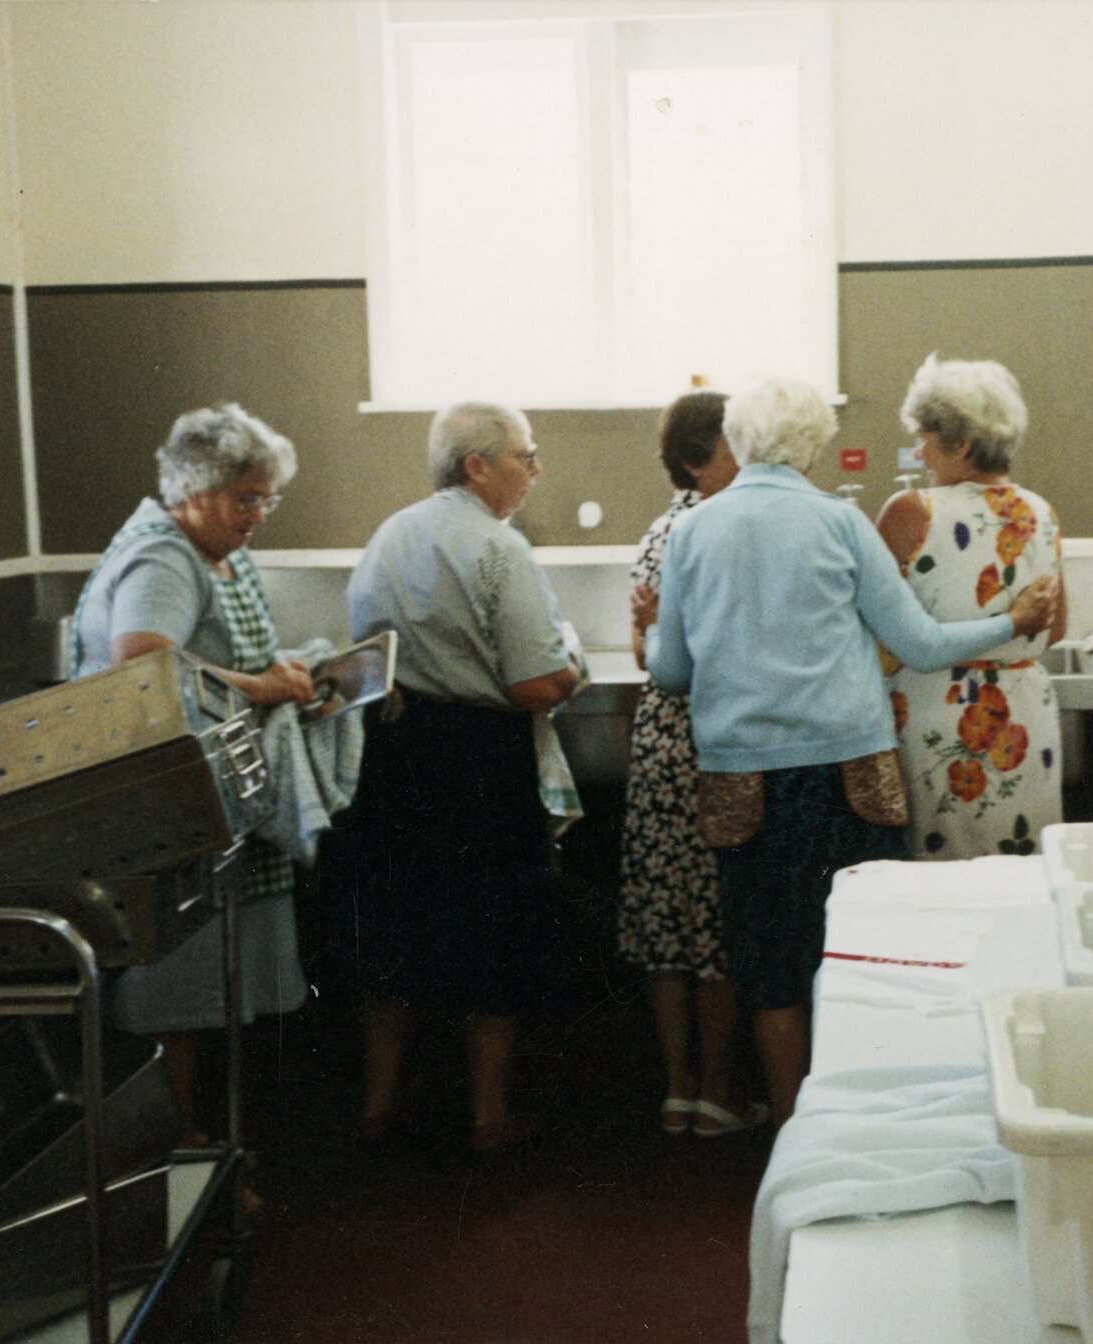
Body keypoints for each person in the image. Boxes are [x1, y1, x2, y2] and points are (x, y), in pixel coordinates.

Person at [640, 378, 1058, 1126]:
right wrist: (1007, 620)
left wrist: (647, 634)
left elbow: (671, 673)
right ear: (811, 443)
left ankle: (794, 1137)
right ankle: (855, 1124)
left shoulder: (692, 532)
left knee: (770, 968)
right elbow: (918, 644)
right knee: (858, 956)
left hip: (740, 780)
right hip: (849, 773)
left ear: (739, 439)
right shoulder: (839, 522)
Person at [71, 402, 318, 1153]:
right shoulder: (163, 556)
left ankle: (203, 1156)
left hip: (205, 803)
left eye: (265, 498)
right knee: (174, 1000)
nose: (258, 515)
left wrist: (280, 678)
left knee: (207, 993)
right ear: (191, 490)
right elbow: (143, 668)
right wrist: (262, 689)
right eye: (245, 499)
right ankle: (175, 1155)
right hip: (161, 810)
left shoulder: (210, 546)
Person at [337, 400, 580, 1153]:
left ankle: (377, 1107)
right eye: (524, 456)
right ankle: (487, 1117)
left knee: (392, 939)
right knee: (492, 941)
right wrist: (572, 665)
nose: (534, 471)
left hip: (393, 752)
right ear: (477, 465)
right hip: (478, 761)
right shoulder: (496, 547)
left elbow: (363, 653)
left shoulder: (388, 535)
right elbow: (534, 686)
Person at [616, 390, 766, 1138]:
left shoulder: (658, 531)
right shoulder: (728, 530)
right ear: (705, 458)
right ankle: (716, 1091)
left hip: (659, 740)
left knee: (663, 922)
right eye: (737, 444)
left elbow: (648, 653)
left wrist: (651, 631)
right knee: (713, 924)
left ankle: (676, 1088)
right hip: (716, 739)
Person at [877, 354, 1067, 860]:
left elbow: (874, 627)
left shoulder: (911, 512)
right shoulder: (1041, 512)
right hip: (1025, 713)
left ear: (960, 443)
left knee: (942, 873)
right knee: (1019, 867)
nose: (919, 453)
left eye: (925, 439)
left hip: (939, 708)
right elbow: (1055, 630)